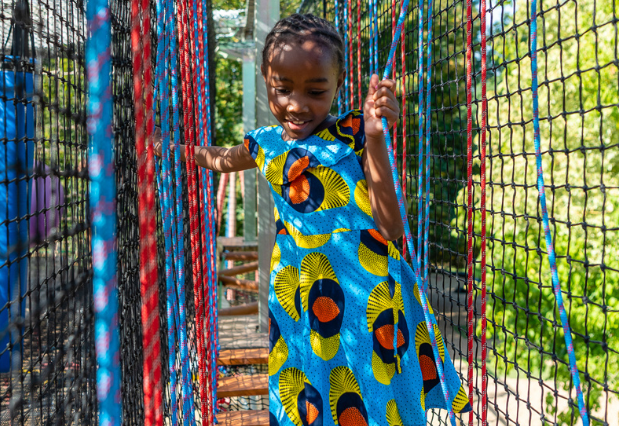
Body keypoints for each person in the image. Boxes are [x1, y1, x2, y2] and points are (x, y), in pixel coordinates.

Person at [154, 13, 471, 426]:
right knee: (313, 396)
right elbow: (219, 159)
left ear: (338, 87)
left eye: (316, 91)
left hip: (366, 298)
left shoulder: (355, 134)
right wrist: (170, 148)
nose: (296, 105)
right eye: (281, 89)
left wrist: (375, 137)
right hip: (301, 294)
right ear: (268, 81)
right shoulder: (264, 145)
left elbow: (391, 228)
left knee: (375, 400)